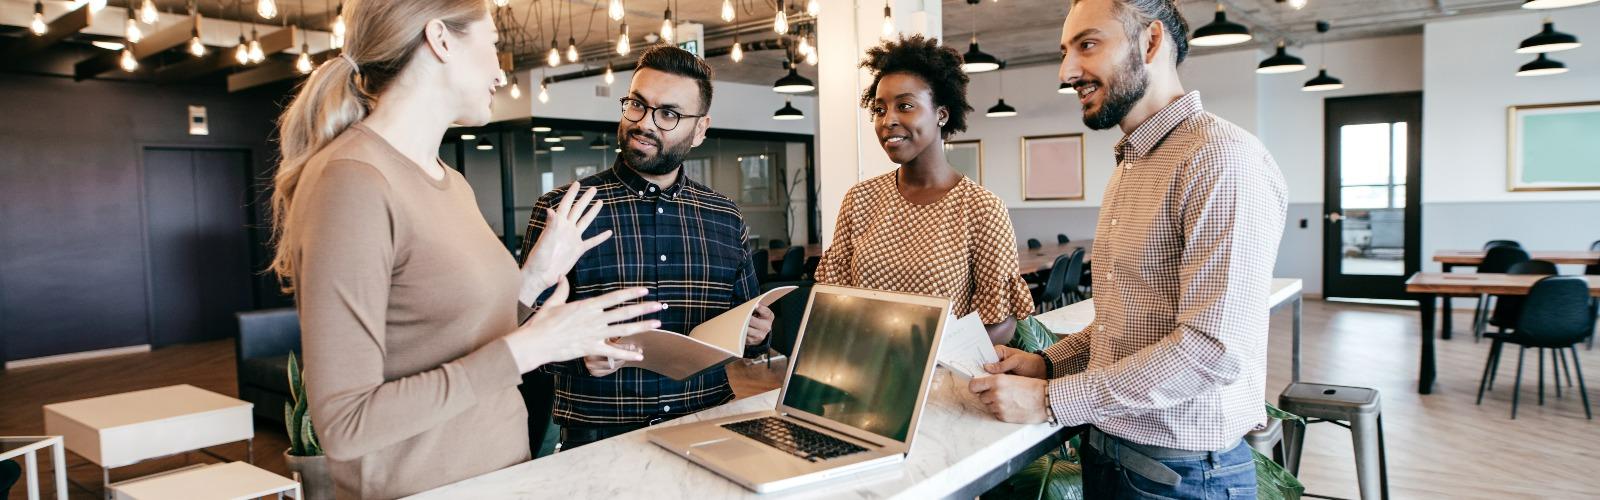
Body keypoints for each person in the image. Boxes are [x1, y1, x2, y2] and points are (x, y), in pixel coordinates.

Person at [269, 1, 663, 497]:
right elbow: (346, 425)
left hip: (501, 476)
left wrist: (532, 282)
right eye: (495, 45)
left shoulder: (449, 180)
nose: (501, 72)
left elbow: (448, 335)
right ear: (440, 39)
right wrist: (533, 346)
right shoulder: (353, 180)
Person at [969, 0, 1288, 498]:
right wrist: (1048, 363)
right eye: (1064, 51)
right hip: (1116, 460)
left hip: (1182, 479)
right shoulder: (1132, 164)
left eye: (1087, 45)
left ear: (1152, 42)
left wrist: (1051, 399)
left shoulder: (1221, 159)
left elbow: (1211, 350)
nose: (1067, 71)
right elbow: (1128, 323)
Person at [518, 46, 773, 451]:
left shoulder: (725, 216)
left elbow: (743, 327)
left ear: (701, 128)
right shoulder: (562, 211)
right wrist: (580, 356)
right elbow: (521, 334)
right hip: (599, 439)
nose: (644, 123)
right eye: (637, 105)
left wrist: (757, 334)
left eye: (668, 114)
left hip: (707, 425)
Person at [814, 35, 1034, 345]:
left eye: (905, 106)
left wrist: (924, 365)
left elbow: (998, 323)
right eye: (879, 110)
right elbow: (833, 299)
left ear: (942, 114)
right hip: (864, 373)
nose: (887, 120)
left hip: (943, 380)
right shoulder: (860, 200)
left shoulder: (981, 208)